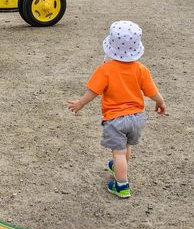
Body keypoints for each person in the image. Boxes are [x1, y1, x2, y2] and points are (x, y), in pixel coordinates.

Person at [66, 20, 166, 198]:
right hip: (137, 118)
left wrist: (80, 103)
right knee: (126, 146)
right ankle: (120, 167)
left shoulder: (106, 70)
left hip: (115, 119)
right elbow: (152, 92)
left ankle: (121, 185)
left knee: (118, 152)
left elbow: (93, 91)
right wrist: (160, 102)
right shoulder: (141, 70)